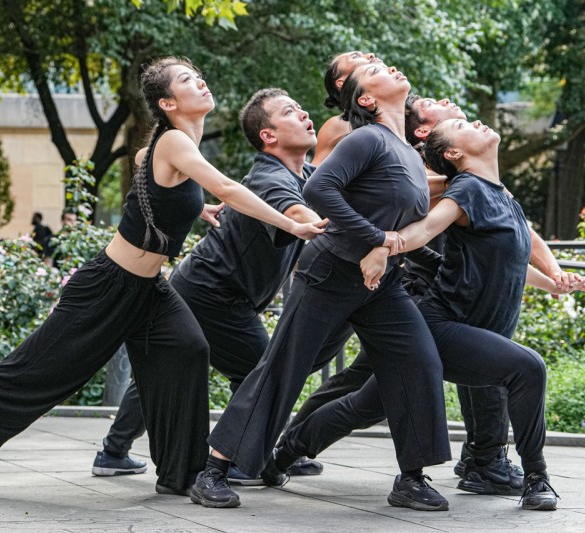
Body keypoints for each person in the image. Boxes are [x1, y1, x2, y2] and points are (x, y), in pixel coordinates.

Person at [0, 56, 325, 497]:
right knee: (34, 372)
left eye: (199, 77)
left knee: (189, 350)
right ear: (169, 102)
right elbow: (229, 189)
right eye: (189, 81)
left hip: (148, 290)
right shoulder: (176, 142)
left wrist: (194, 207)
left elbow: (145, 161)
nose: (202, 83)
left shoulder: (171, 142)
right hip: (108, 286)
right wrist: (292, 225)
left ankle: (186, 474)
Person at [270, 117, 585, 512]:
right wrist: (382, 247)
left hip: (470, 331)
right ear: (455, 153)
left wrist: (554, 280)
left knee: (367, 404)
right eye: (463, 124)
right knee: (528, 368)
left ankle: (285, 451)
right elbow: (422, 231)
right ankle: (537, 478)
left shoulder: (502, 194)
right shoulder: (466, 191)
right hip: (442, 326)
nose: (476, 120)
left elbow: (509, 260)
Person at [190, 63, 452, 510]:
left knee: (418, 362)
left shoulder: (406, 151)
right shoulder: (366, 138)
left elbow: (400, 229)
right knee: (281, 368)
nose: (389, 66)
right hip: (330, 271)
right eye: (376, 70)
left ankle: (411, 478)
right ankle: (213, 471)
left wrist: (441, 267)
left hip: (380, 283)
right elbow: (320, 191)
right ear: (366, 99)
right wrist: (375, 239)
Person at [92, 88, 341, 483]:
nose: (304, 113)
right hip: (213, 293)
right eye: (291, 111)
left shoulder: (305, 176)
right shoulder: (269, 177)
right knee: (266, 372)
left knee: (167, 369)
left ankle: (112, 451)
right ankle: (244, 458)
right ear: (268, 136)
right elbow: (297, 213)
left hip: (212, 289)